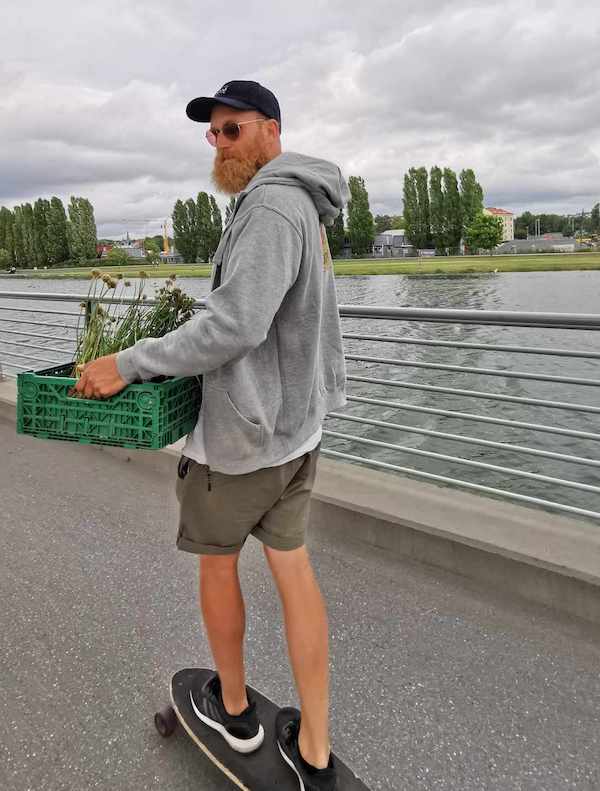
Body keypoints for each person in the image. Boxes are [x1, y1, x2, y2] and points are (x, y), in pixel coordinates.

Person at [75, 79, 348, 791]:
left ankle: (236, 714)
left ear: (271, 130)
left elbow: (235, 327)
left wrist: (128, 362)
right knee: (293, 569)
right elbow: (280, 318)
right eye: (213, 132)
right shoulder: (306, 207)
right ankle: (313, 746)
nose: (219, 143)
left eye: (234, 129)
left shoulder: (268, 209)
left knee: (217, 564)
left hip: (244, 442)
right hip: (293, 434)